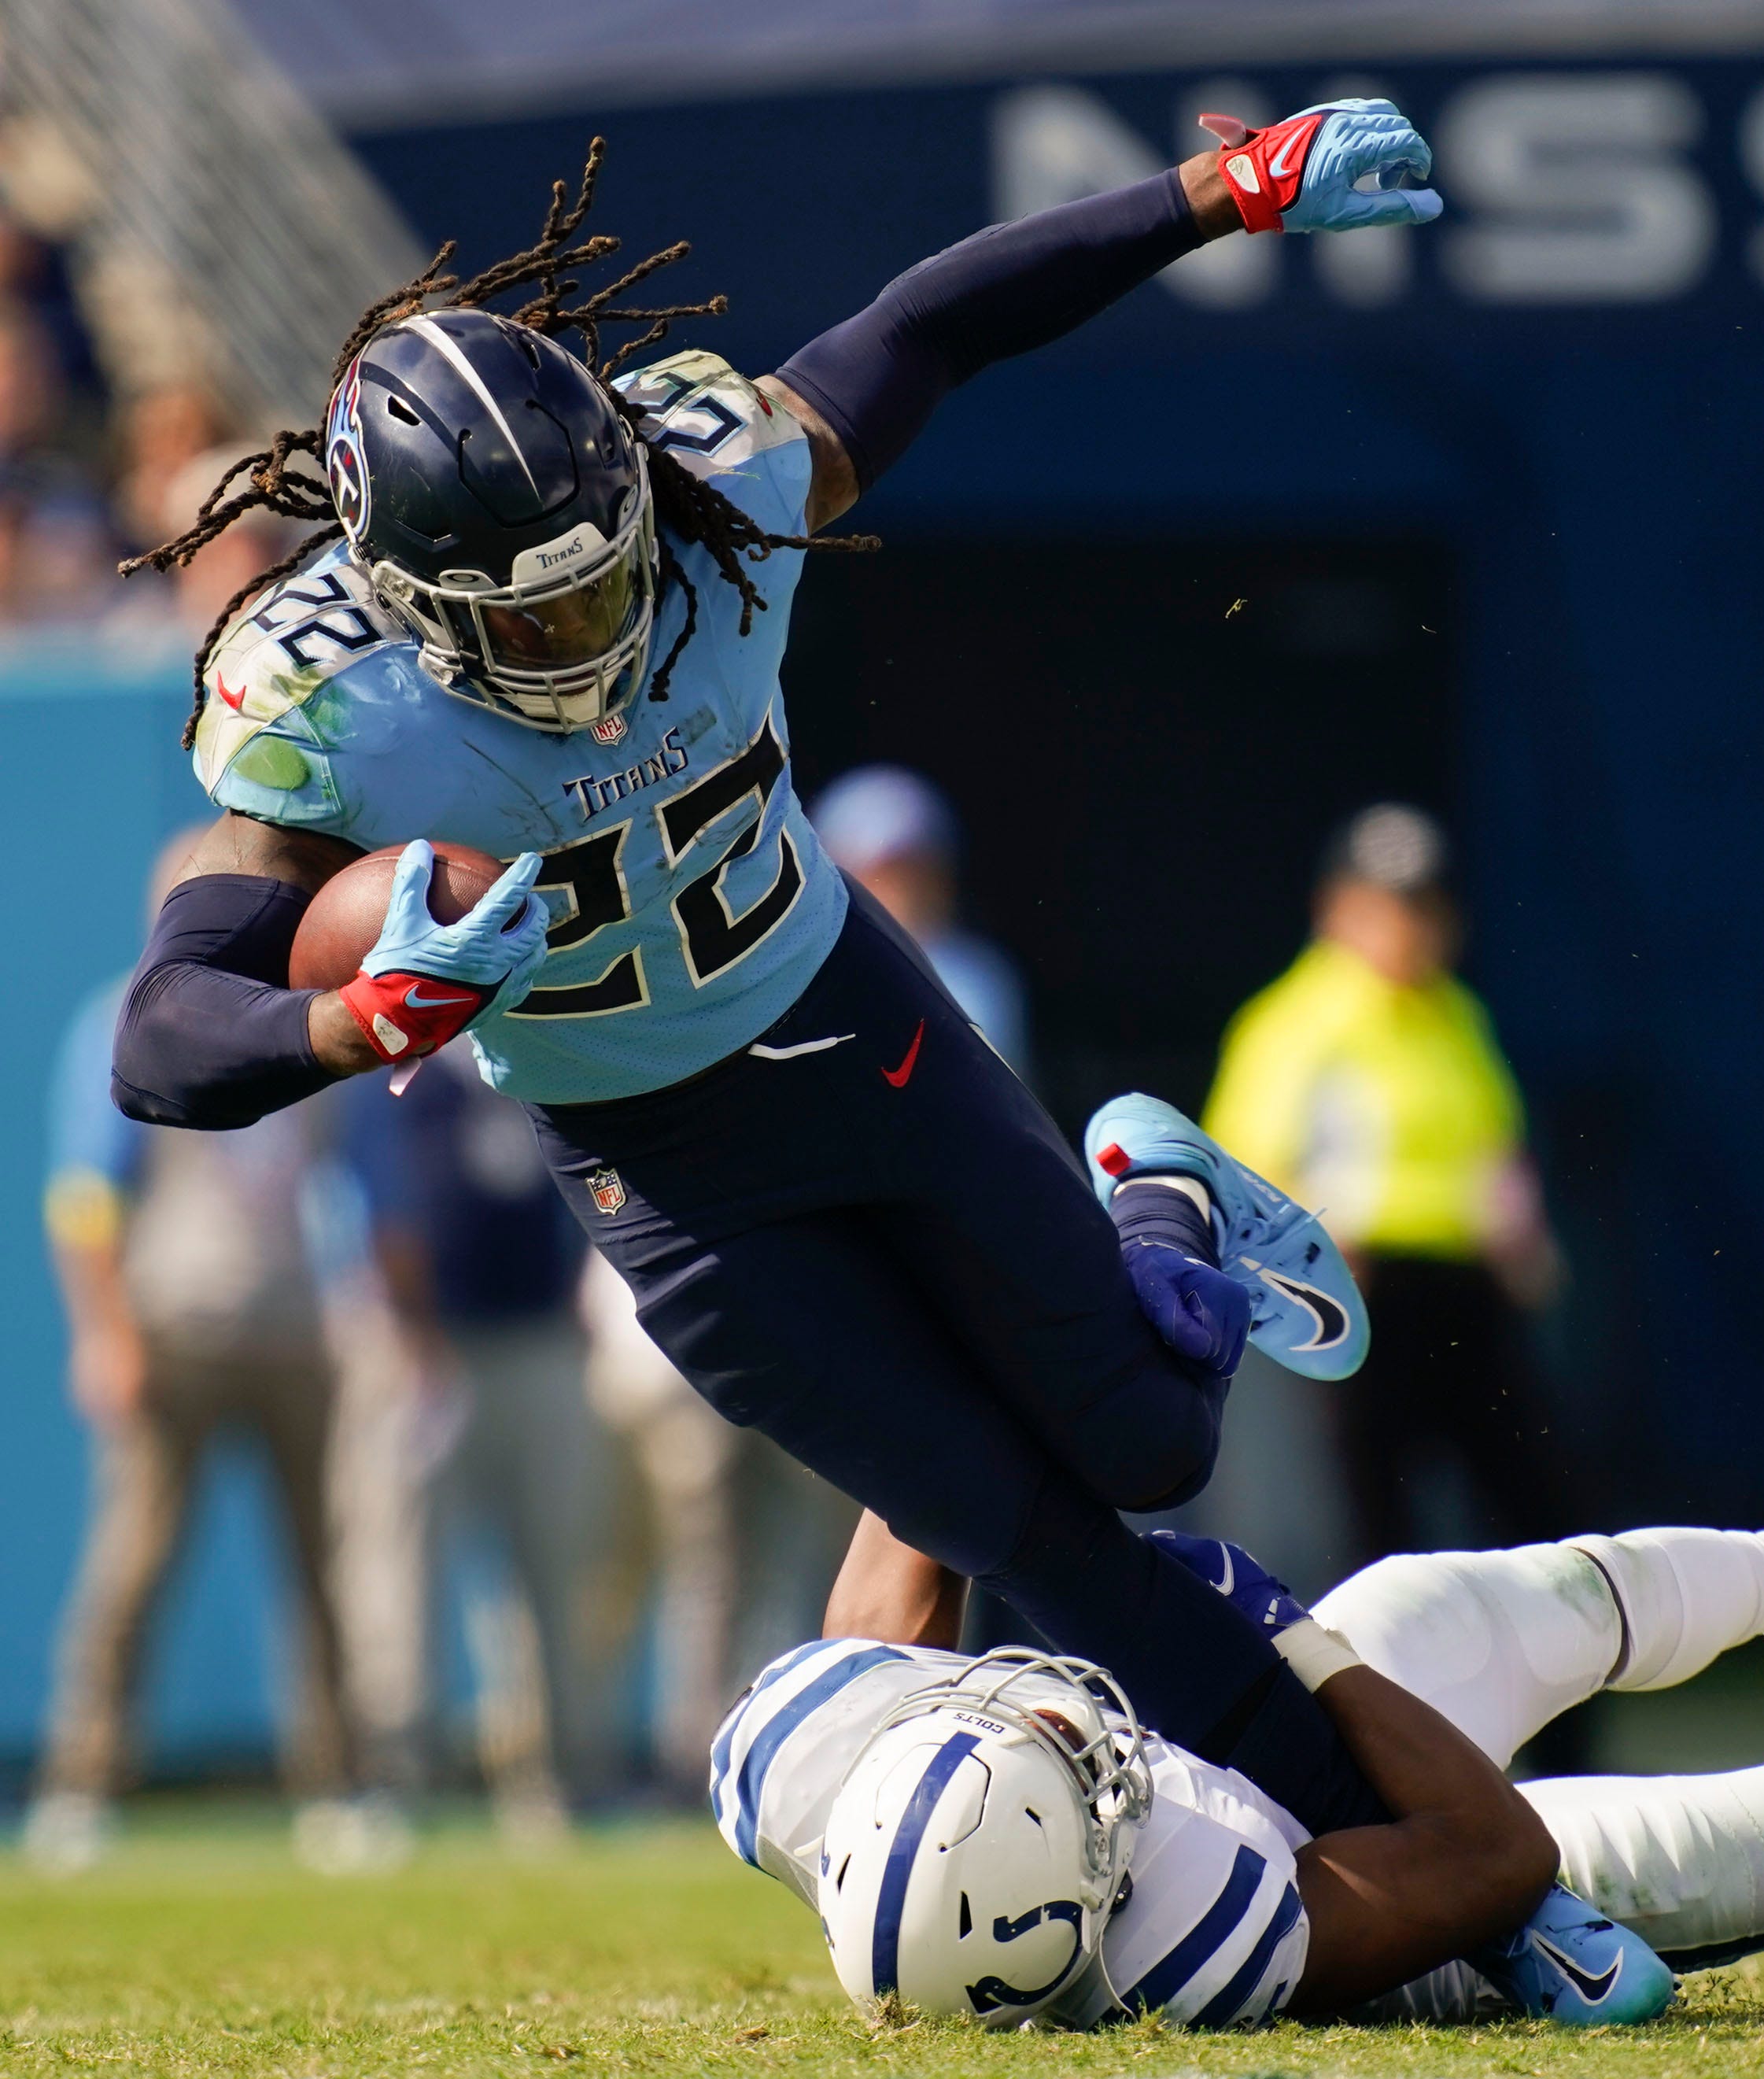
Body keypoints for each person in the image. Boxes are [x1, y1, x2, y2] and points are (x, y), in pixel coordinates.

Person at [103, 123, 1463, 1897]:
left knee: (1152, 1440)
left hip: (853, 1021)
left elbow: (935, 324)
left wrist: (1216, 194)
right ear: (418, 609)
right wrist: (358, 1021)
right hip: (665, 1171)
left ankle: (1159, 1192)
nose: (601, 615)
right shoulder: (328, 709)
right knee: (1028, 1530)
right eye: (544, 605)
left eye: (609, 564)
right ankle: (1394, 1865)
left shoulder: (717, 488)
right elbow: (162, 1034)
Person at [719, 1431, 1764, 2026]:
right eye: (1085, 1778)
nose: (1080, 1728)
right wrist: (1291, 1643)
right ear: (1100, 1891)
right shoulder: (1196, 1946)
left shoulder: (808, 1750)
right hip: (1421, 1895)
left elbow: (918, 1516)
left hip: (1259, 1775)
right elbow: (1492, 1848)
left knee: (1528, 1591)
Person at [29, 833, 356, 1871]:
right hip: (177, 1326)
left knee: (322, 1567)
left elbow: (342, 1184)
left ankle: (341, 1782)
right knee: (136, 1561)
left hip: (295, 1325)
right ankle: (84, 1780)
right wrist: (106, 1331)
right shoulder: (121, 1023)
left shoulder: (297, 1013)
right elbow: (84, 1197)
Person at [1205, 803, 1577, 1561]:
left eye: (1424, 905)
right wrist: (1313, 1261)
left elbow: (1492, 1142)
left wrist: (1523, 1233)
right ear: (1337, 908)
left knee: (1539, 1499)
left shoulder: (1456, 1014)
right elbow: (1244, 1167)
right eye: (1385, 905)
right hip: (1357, 1296)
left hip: (1467, 1289)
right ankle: (1386, 1680)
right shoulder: (1293, 1020)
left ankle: (1572, 1673)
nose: (1407, 927)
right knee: (1376, 1522)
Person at [334, 1042, 616, 1840]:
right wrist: (411, 1331)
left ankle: (559, 1777)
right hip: (417, 1348)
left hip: (539, 1343)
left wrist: (593, 1281)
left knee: (558, 1567)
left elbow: (608, 1180)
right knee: (397, 1572)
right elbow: (377, 1202)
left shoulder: (553, 1060)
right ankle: (395, 1775)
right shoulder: (391, 1073)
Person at [578, 1249, 857, 1778]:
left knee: (775, 1570)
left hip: (775, 1360)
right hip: (676, 1372)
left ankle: (771, 1744)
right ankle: (696, 1752)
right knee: (701, 1576)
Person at [809, 765, 1031, 1088]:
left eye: (916, 872)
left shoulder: (975, 981)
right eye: (882, 873)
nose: (904, 891)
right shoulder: (791, 978)